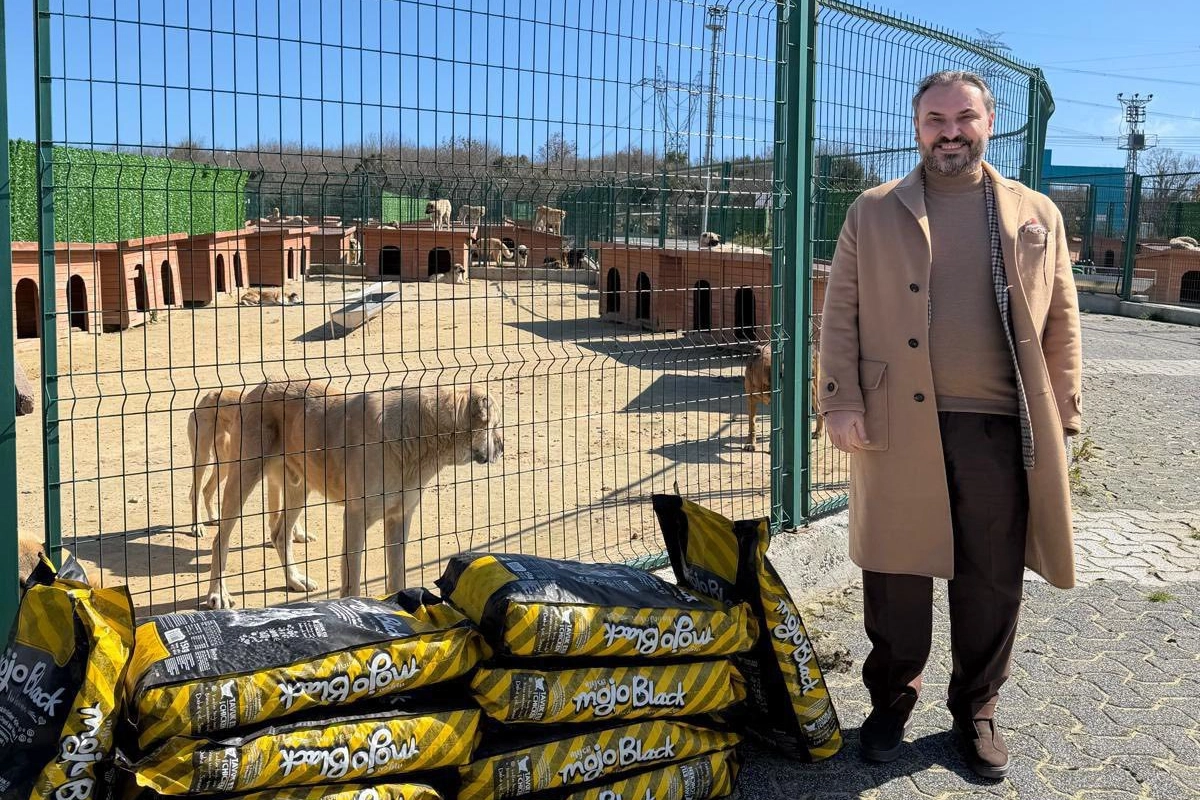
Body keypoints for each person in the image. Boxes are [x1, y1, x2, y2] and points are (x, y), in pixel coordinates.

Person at [817, 70, 1082, 780]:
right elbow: (840, 312)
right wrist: (840, 399)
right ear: (917, 127)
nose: (950, 132)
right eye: (935, 119)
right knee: (895, 572)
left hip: (1000, 425)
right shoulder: (872, 210)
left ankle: (976, 709)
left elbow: (1062, 319)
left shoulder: (1036, 213)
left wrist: (1064, 412)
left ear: (989, 124)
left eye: (964, 117)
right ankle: (892, 701)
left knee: (991, 577)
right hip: (896, 422)